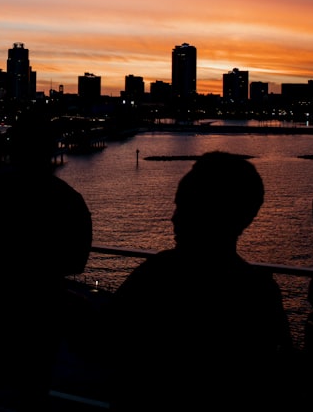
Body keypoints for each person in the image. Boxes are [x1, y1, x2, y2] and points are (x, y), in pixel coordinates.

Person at [100, 151, 295, 410]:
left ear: (206, 215)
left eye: (183, 207)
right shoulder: (260, 290)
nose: (173, 218)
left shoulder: (158, 276)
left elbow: (104, 343)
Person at [0, 111, 94, 410]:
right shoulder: (69, 200)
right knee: (33, 391)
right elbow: (76, 262)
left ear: (14, 148)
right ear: (50, 148)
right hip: (42, 310)